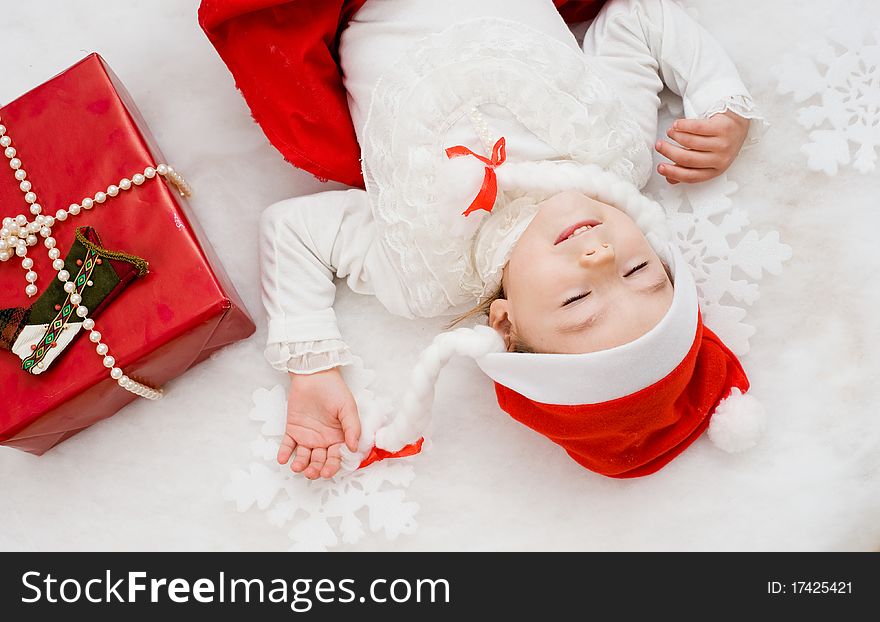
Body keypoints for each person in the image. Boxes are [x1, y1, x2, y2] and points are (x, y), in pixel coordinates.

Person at [256, 0, 769, 480]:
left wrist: (314, 367)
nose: (602, 256)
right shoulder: (616, 152)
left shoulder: (423, 272)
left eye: (578, 299)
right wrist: (721, 98)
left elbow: (293, 231)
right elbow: (634, 16)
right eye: (640, 272)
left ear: (505, 323)